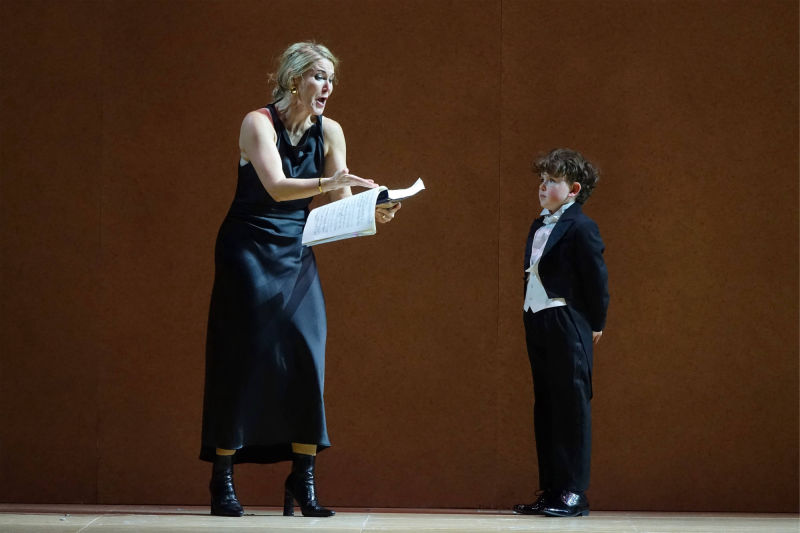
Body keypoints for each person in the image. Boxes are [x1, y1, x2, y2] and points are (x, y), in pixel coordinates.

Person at [199, 42, 401, 518]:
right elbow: (275, 187)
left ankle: (303, 478)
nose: (327, 86)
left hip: (296, 247)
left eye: (331, 78)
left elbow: (337, 204)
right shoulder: (257, 123)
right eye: (318, 76)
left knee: (308, 354)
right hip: (247, 248)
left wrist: (373, 210)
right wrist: (333, 184)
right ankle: (222, 478)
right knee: (241, 356)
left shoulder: (330, 130)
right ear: (294, 80)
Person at [513, 148, 609, 517]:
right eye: (542, 179)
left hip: (567, 321)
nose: (542, 186)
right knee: (548, 407)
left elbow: (596, 279)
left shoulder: (582, 227)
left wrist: (595, 322)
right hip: (538, 320)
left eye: (552, 181)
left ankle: (573, 492)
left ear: (574, 189)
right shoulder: (538, 224)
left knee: (571, 408)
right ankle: (552, 489)